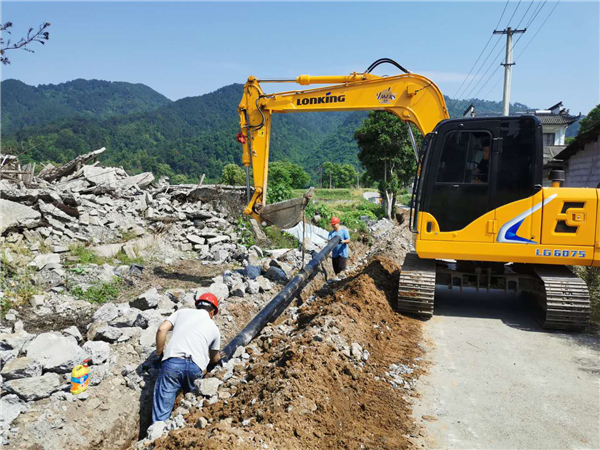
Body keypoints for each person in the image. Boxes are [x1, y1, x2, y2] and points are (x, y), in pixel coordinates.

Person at [151, 292, 221, 423]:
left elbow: (162, 329)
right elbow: (215, 358)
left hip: (173, 363)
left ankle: (157, 431)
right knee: (190, 408)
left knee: (161, 414)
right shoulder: (214, 329)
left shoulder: (182, 312)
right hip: (195, 367)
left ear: (197, 306)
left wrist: (159, 354)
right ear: (212, 312)